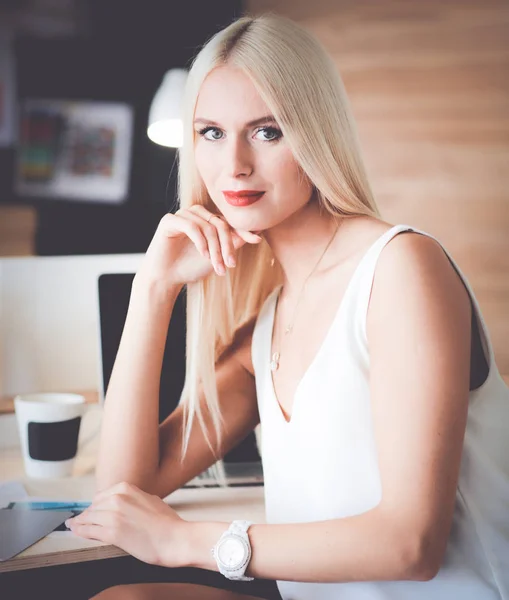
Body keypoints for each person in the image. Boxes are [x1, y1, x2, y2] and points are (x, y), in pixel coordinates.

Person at [67, 13, 509, 600]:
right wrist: (154, 289)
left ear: (316, 135)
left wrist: (186, 541)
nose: (235, 165)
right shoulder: (270, 322)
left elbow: (411, 545)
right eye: (211, 133)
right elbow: (122, 496)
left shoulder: (401, 268)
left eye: (267, 131)